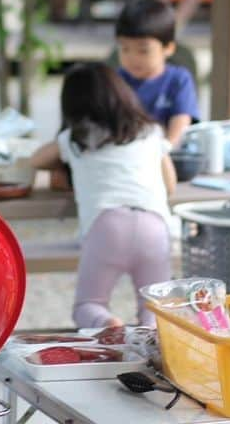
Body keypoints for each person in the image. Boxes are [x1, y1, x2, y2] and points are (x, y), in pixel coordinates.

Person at [31, 63, 177, 328]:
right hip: (154, 226)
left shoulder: (76, 139)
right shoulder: (150, 132)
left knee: (89, 305)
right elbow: (171, 184)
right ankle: (151, 359)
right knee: (156, 311)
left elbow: (36, 160)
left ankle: (107, 323)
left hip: (107, 226)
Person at [114, 0, 200, 148]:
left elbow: (181, 121)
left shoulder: (178, 80)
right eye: (125, 49)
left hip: (166, 154)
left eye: (143, 51)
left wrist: (166, 148)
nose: (133, 58)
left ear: (168, 48)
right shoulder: (115, 80)